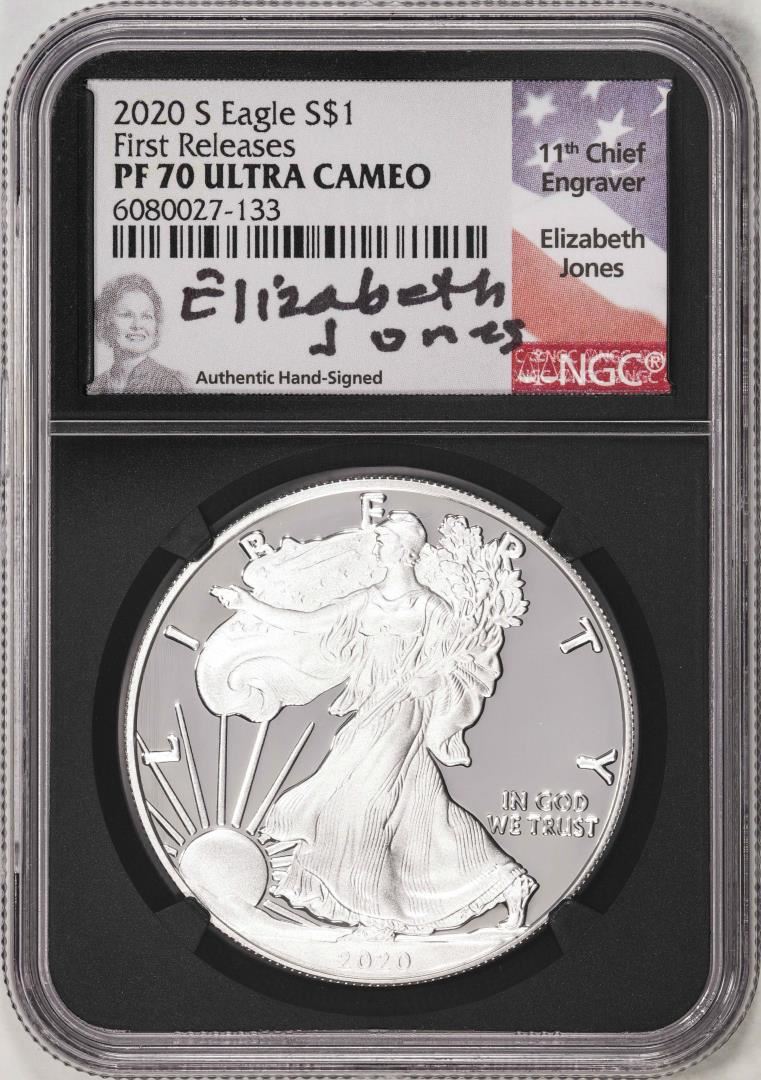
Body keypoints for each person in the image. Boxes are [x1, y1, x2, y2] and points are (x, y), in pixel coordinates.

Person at [211, 512, 538, 940]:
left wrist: (430, 680)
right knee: (421, 810)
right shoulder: (365, 600)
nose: (375, 547)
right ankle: (506, 882)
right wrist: (249, 604)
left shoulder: (431, 608)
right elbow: (310, 622)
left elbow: (457, 663)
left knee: (359, 803)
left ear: (404, 551)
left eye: (383, 542)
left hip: (405, 711)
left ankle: (377, 915)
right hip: (371, 711)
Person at [90, 274, 187, 393]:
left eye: (146, 316)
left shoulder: (171, 384)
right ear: (106, 321)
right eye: (127, 315)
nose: (137, 325)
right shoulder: (94, 386)